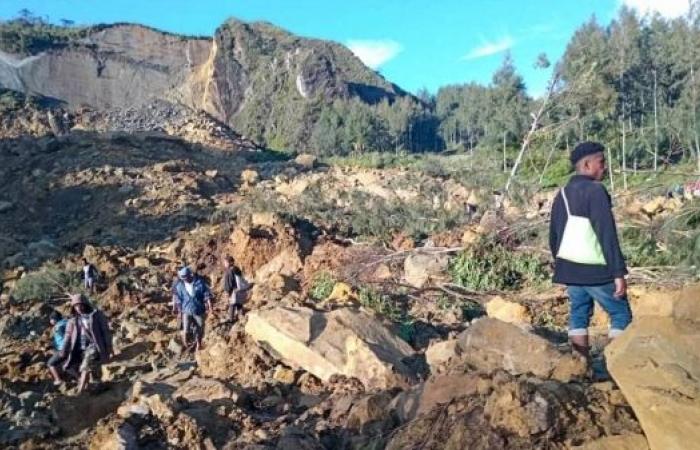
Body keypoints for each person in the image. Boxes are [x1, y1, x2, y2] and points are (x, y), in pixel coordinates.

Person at [549, 141, 632, 359]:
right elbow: (606, 233)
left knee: (578, 314)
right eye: (601, 162)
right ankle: (614, 366)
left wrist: (562, 266)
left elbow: (554, 235)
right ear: (587, 165)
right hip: (596, 270)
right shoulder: (596, 191)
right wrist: (618, 273)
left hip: (570, 268)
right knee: (620, 313)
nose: (604, 167)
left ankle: (581, 366)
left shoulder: (563, 194)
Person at [60, 294, 113, 393]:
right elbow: (67, 336)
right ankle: (96, 385)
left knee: (85, 366)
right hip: (80, 347)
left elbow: (105, 331)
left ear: (85, 304)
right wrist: (64, 349)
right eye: (76, 306)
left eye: (80, 305)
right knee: (90, 367)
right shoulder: (73, 320)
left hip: (94, 345)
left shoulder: (96, 315)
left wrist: (109, 347)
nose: (78, 308)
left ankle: (80, 390)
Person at [172, 266, 213, 351]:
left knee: (200, 327)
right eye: (182, 277)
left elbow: (206, 295)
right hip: (186, 310)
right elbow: (178, 298)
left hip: (199, 310)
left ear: (189, 275)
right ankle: (186, 344)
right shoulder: (180, 285)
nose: (184, 279)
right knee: (186, 329)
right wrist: (178, 310)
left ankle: (198, 344)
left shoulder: (199, 283)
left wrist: (210, 306)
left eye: (185, 277)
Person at [222, 256, 250, 322]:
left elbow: (229, 282)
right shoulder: (236, 269)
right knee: (239, 303)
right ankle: (241, 317)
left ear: (230, 262)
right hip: (240, 289)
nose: (224, 264)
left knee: (232, 305)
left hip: (233, 290)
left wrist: (228, 292)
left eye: (226, 262)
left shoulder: (229, 271)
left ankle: (231, 320)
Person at [47, 310, 69, 386]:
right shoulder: (67, 322)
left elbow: (64, 337)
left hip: (63, 349)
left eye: (51, 319)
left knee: (50, 363)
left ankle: (58, 380)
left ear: (54, 319)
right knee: (68, 365)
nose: (50, 321)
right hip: (73, 348)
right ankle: (79, 379)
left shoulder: (59, 327)